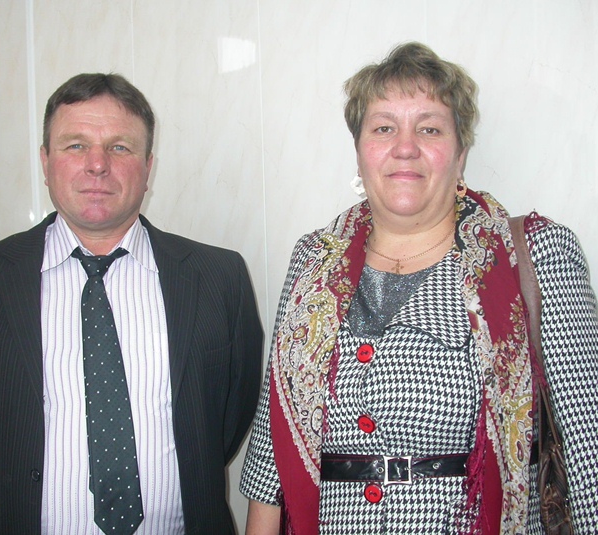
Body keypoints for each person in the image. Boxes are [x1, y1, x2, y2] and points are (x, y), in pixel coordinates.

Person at [240, 42, 598, 534]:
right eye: (383, 128)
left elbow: (587, 451)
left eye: (429, 128)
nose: (404, 147)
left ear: (460, 153)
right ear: (359, 151)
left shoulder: (534, 253)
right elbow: (269, 452)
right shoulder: (311, 262)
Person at [0, 73, 264, 535]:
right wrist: (16, 479)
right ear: (45, 162)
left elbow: (228, 414)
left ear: (148, 167)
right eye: (76, 145)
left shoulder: (219, 278)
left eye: (120, 147)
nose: (98, 164)